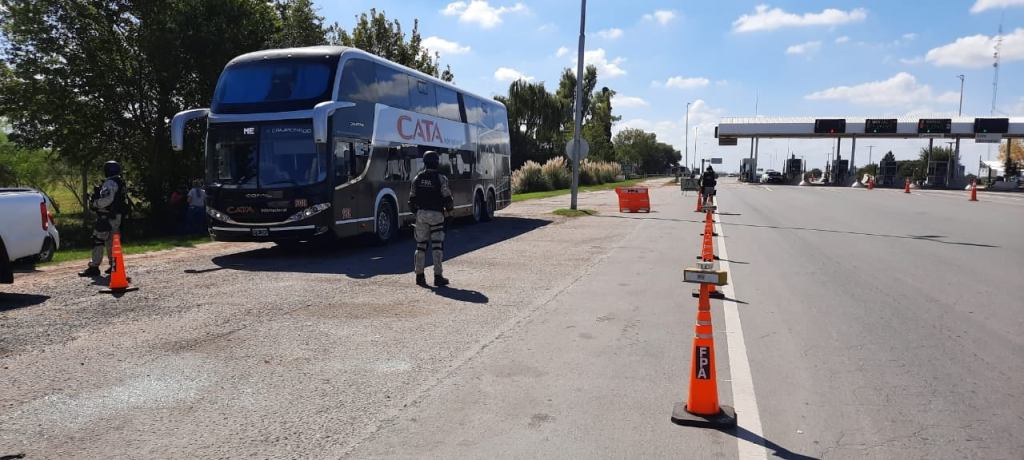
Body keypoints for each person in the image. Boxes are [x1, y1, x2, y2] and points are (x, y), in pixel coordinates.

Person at [408, 151, 454, 287]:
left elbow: (411, 200)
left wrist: (418, 213)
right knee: (437, 247)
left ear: (424, 162)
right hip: (437, 215)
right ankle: (438, 277)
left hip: (421, 214)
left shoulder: (417, 178)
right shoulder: (441, 179)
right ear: (437, 162)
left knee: (420, 246)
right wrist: (450, 214)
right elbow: (448, 199)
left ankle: (419, 276)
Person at [79, 161, 128, 277]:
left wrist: (95, 203)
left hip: (107, 216)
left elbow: (107, 199)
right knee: (112, 241)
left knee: (98, 240)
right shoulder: (120, 182)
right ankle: (114, 267)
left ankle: (94, 267)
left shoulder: (110, 183)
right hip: (116, 216)